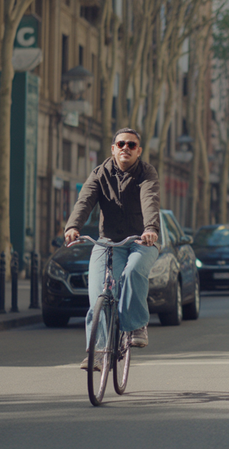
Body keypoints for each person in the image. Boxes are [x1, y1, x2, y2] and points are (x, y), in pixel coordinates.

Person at [65, 128, 160, 371]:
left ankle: (137, 325)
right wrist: (73, 226)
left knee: (133, 272)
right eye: (121, 144)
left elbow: (149, 199)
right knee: (98, 295)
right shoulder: (100, 173)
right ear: (113, 149)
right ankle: (97, 352)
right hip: (107, 242)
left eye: (131, 145)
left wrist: (150, 229)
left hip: (142, 240)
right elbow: (85, 200)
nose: (125, 148)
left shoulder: (146, 173)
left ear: (138, 150)